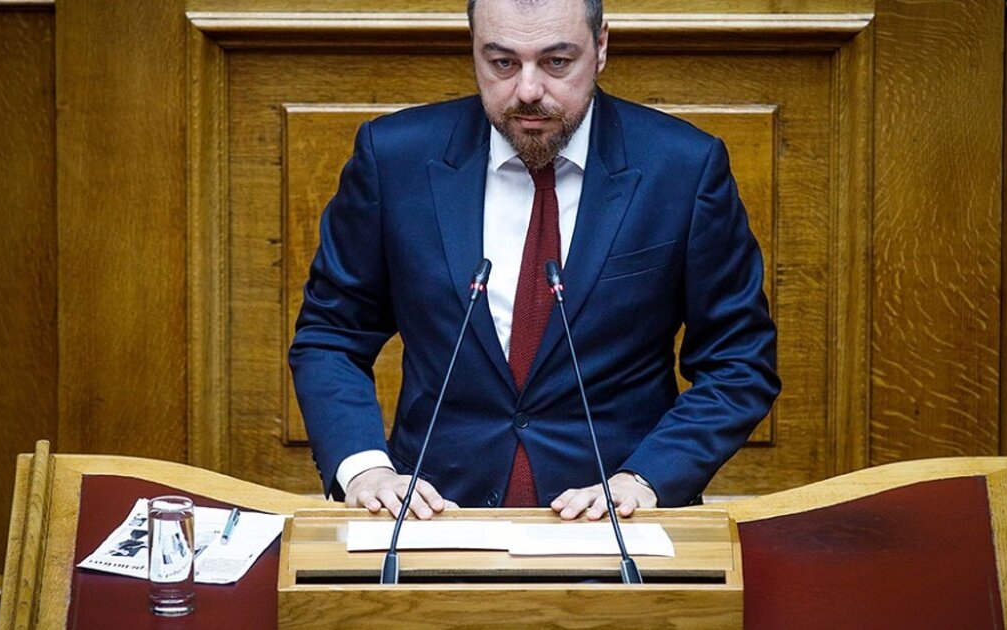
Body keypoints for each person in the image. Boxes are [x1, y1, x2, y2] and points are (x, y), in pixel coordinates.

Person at [289, 0, 780, 522]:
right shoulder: (393, 159)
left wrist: (646, 479)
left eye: (556, 62)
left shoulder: (683, 167)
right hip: (429, 517)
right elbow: (332, 334)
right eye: (502, 62)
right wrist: (365, 470)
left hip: (617, 522)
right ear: (473, 48)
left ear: (601, 46)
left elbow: (739, 361)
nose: (527, 90)